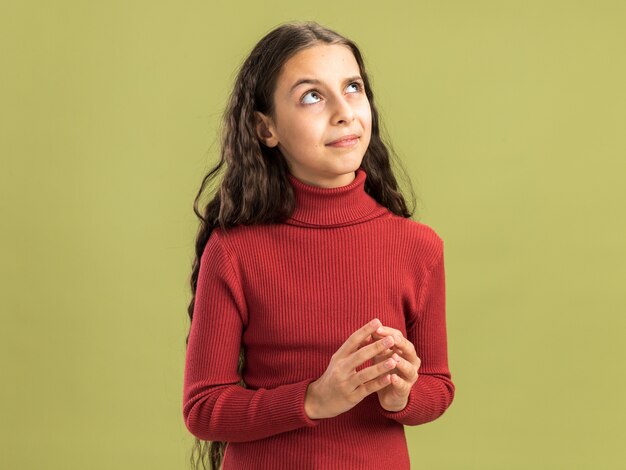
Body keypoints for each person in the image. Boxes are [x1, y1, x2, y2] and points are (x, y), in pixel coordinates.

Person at [182, 20, 455, 470]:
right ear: (265, 128)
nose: (344, 112)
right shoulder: (234, 251)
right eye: (312, 95)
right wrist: (314, 399)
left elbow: (438, 387)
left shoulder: (417, 247)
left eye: (353, 88)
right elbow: (203, 408)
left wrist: (402, 394)